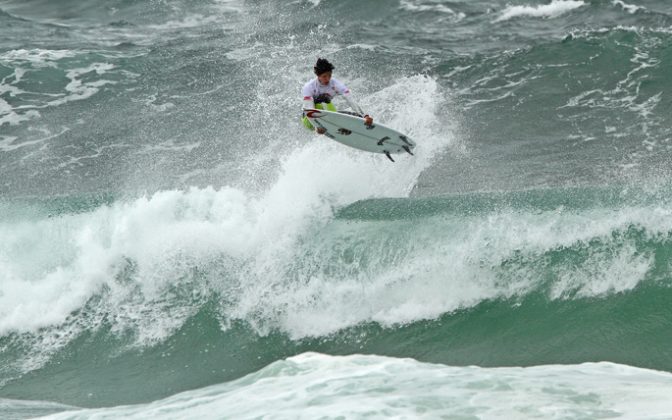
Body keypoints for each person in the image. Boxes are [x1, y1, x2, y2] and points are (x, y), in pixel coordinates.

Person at [301, 58, 373, 134]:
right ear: (318, 75)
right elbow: (309, 109)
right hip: (309, 120)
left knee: (357, 115)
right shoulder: (309, 87)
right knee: (322, 101)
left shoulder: (335, 84)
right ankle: (337, 127)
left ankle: (341, 127)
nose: (327, 79)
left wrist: (365, 116)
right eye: (324, 76)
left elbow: (350, 99)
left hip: (328, 115)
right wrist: (316, 126)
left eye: (329, 75)